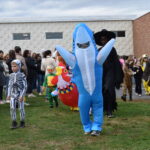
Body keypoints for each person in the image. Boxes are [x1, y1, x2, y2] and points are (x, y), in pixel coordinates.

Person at [94, 29, 124, 118]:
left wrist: (118, 76)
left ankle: (110, 110)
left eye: (105, 39)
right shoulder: (98, 50)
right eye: (102, 39)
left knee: (109, 89)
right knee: (102, 90)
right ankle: (105, 109)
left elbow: (116, 63)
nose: (103, 41)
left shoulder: (112, 49)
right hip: (101, 73)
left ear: (108, 40)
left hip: (110, 72)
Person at [6, 59, 27, 129]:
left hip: (19, 94)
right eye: (12, 66)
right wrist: (8, 94)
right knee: (12, 108)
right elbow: (9, 85)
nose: (13, 68)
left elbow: (25, 86)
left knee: (21, 108)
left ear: (19, 66)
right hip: (13, 94)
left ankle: (22, 121)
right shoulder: (11, 75)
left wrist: (22, 95)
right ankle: (14, 122)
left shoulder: (22, 75)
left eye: (15, 66)